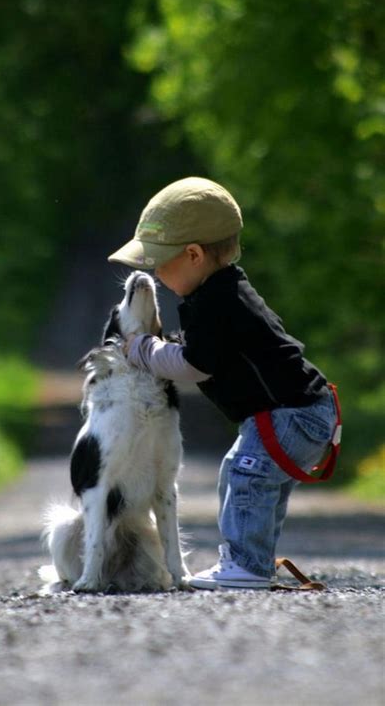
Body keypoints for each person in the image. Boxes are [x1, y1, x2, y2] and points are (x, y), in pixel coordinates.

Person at [108, 177, 339, 590]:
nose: (156, 274)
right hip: (304, 411)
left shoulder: (216, 303)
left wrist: (143, 349)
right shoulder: (224, 290)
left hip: (289, 415)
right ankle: (252, 561)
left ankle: (247, 567)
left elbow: (195, 365)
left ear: (193, 255)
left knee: (246, 474)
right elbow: (207, 352)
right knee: (254, 480)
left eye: (160, 263)